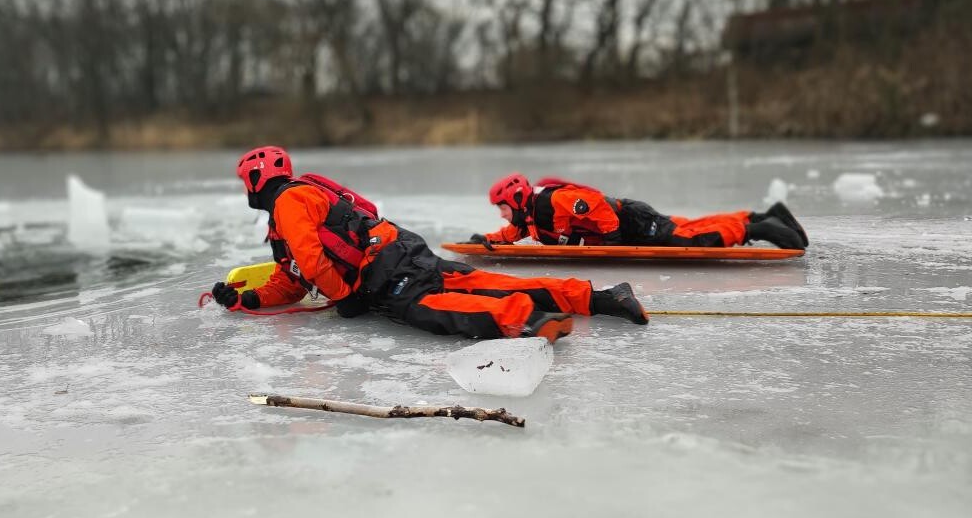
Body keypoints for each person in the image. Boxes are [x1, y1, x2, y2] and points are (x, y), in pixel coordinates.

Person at [209, 146, 648, 344]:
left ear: (253, 182)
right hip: (402, 248)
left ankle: (528, 321)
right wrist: (248, 296)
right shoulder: (304, 197)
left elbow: (309, 259)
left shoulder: (287, 202)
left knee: (438, 309)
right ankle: (602, 298)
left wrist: (345, 297)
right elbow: (294, 279)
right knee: (481, 282)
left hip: (382, 275)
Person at [464, 173, 808, 250]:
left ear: (517, 198)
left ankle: (760, 230)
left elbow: (596, 204)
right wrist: (490, 241)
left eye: (502, 208)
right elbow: (514, 233)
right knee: (687, 226)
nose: (501, 216)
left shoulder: (551, 201)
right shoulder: (529, 217)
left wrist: (613, 242)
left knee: (688, 241)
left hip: (630, 220)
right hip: (630, 219)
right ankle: (758, 216)